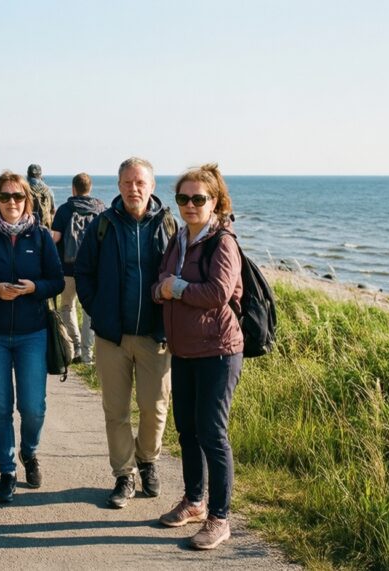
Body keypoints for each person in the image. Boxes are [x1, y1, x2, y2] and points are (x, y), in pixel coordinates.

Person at [74, 157, 175, 508]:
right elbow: (83, 273)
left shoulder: (168, 224)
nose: (135, 188)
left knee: (155, 408)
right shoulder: (102, 224)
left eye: (141, 182)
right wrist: (99, 311)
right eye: (128, 182)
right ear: (118, 186)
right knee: (115, 411)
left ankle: (148, 462)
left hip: (155, 336)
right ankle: (124, 475)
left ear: (152, 186)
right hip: (111, 338)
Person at [153, 163, 243, 550]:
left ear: (215, 202)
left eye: (198, 199)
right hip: (184, 350)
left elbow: (218, 293)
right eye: (183, 198)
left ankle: (219, 518)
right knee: (186, 430)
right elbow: (158, 284)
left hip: (218, 351)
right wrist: (165, 289)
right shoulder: (178, 240)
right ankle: (194, 501)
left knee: (212, 433)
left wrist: (178, 288)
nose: (190, 205)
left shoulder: (222, 242)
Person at [0, 171, 64, 503]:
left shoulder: (42, 238)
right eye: (4, 197)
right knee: (1, 407)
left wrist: (35, 288)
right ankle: (6, 471)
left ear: (27, 200)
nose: (11, 203)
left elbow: (57, 281)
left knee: (33, 407)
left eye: (17, 196)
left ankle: (29, 451)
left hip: (33, 333)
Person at [51, 172, 105, 365]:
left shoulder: (65, 209)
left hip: (68, 269)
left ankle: (74, 347)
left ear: (73, 188)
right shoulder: (100, 209)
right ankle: (87, 354)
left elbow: (55, 238)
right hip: (93, 270)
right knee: (90, 310)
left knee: (67, 306)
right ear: (89, 188)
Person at [27, 163, 55, 227]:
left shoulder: (25, 189)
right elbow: (53, 210)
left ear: (28, 175)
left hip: (31, 225)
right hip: (46, 226)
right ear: (40, 175)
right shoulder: (49, 190)